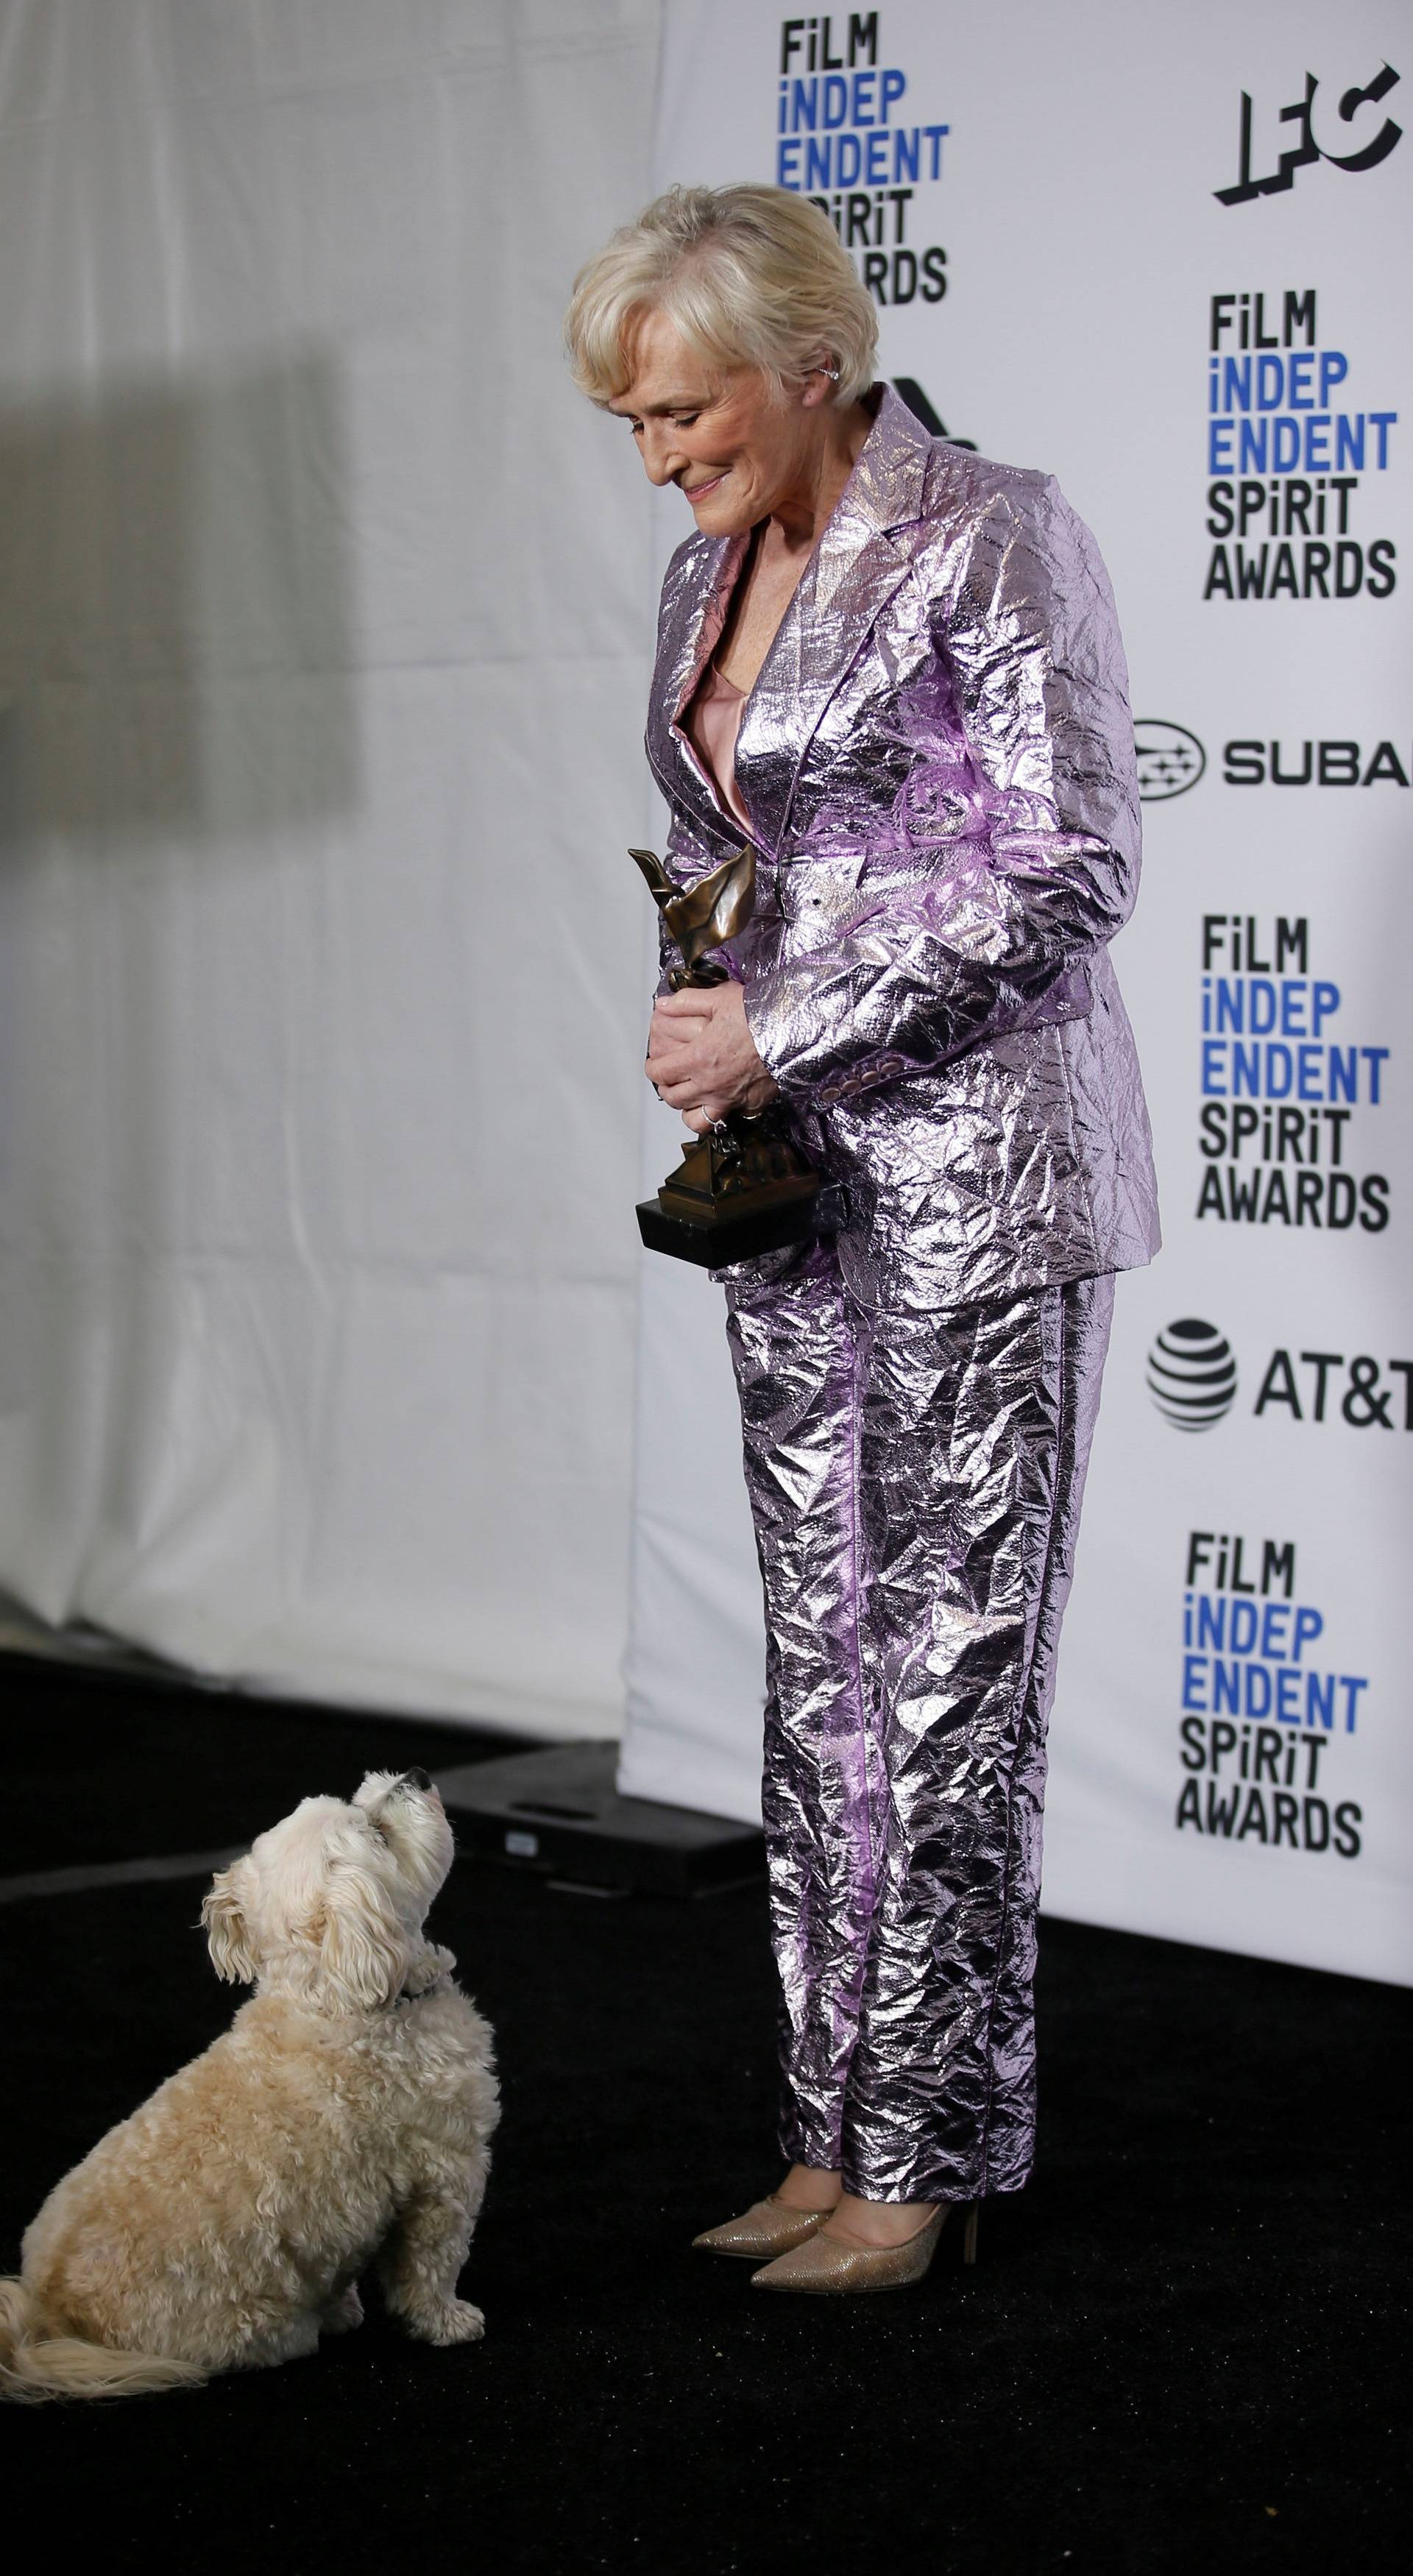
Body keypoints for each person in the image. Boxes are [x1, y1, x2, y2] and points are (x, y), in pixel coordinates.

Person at [563, 185, 1158, 2294]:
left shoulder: (995, 528)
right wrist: (709, 1012)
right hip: (797, 1185)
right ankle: (825, 2133)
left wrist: (789, 1014)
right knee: (819, 1675)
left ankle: (931, 2153)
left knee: (947, 1683)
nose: (657, 459)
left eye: (684, 413)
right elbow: (752, 852)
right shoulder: (696, 576)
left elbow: (1075, 859)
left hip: (986, 1175)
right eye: (635, 424)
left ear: (808, 362)